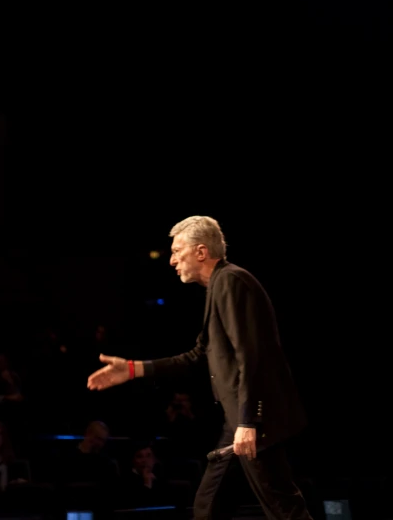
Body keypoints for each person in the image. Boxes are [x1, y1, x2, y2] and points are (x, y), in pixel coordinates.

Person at [87, 215, 313, 520]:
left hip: (255, 423)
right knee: (209, 507)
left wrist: (248, 422)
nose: (171, 261)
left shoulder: (231, 281)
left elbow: (251, 356)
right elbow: (198, 356)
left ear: (201, 252)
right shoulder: (218, 286)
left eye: (177, 252)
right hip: (238, 422)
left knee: (284, 509)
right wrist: (132, 369)